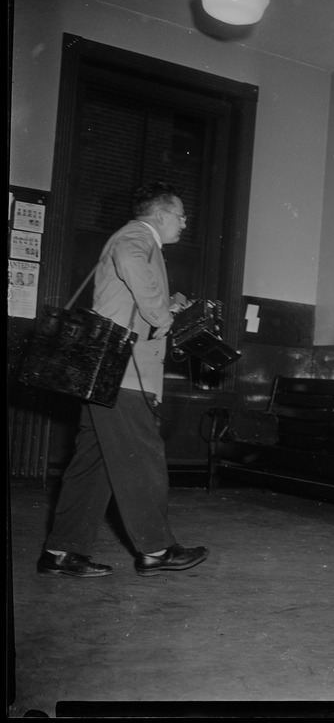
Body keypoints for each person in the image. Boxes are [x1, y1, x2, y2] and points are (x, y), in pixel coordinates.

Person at [37, 182, 209, 579]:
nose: (184, 222)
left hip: (104, 370)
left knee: (92, 462)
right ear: (161, 215)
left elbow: (128, 293)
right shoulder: (137, 236)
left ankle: (61, 551)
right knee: (142, 456)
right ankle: (156, 549)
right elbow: (131, 263)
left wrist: (168, 305)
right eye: (180, 215)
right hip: (124, 373)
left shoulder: (140, 241)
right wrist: (164, 318)